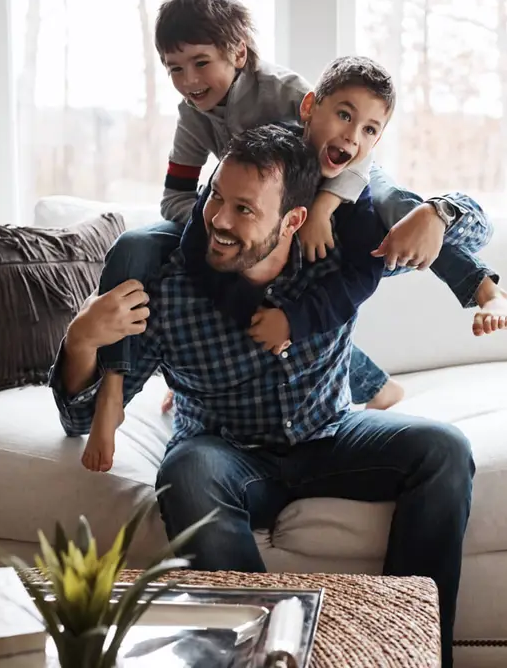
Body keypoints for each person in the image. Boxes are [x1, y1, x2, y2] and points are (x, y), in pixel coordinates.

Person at [50, 124, 474, 667]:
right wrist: (81, 338)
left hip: (331, 433)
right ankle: (263, 658)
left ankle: (411, 653)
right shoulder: (169, 286)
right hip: (226, 451)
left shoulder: (336, 255)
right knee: (187, 470)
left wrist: (438, 214)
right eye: (216, 200)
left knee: (444, 448)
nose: (220, 221)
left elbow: (473, 234)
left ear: (294, 219)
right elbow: (78, 420)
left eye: (245, 210)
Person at [90, 0, 507, 433]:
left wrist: (322, 207)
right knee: (138, 244)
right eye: (174, 68)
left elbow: (350, 145)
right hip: (263, 219)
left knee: (399, 212)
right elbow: (174, 197)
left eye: (200, 63)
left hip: (340, 180)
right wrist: (221, 218)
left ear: (238, 54)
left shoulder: (286, 93)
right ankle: (127, 381)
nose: (188, 79)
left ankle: (484, 289)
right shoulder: (193, 116)